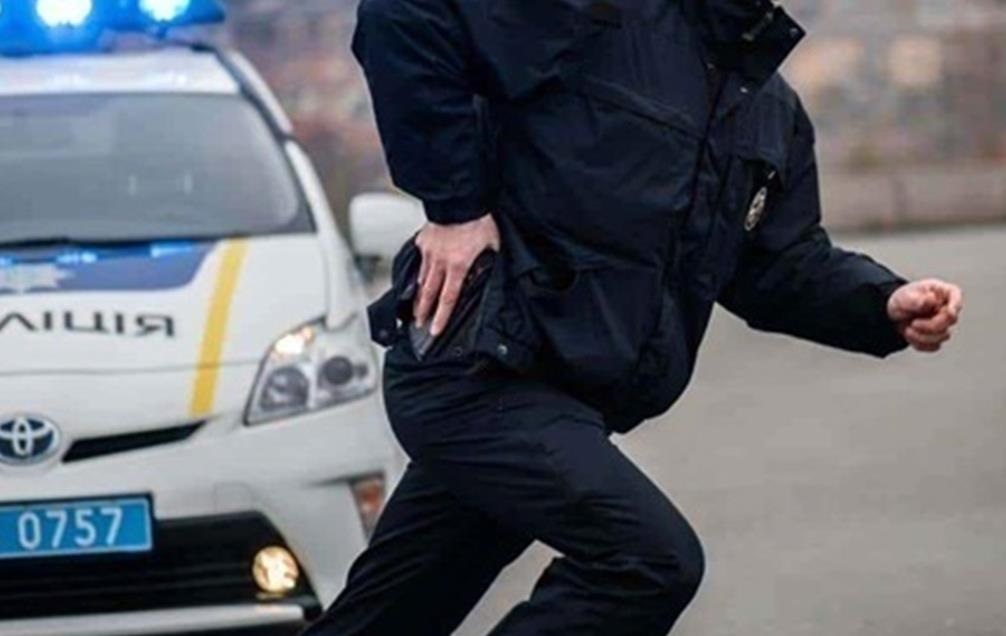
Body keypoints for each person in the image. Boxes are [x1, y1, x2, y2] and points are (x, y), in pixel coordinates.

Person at [304, 1, 964, 634]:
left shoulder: (767, 109)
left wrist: (882, 303)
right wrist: (456, 210)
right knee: (646, 563)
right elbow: (405, 13)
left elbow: (779, 264)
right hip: (476, 374)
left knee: (388, 619)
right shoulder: (590, 14)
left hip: (561, 402)